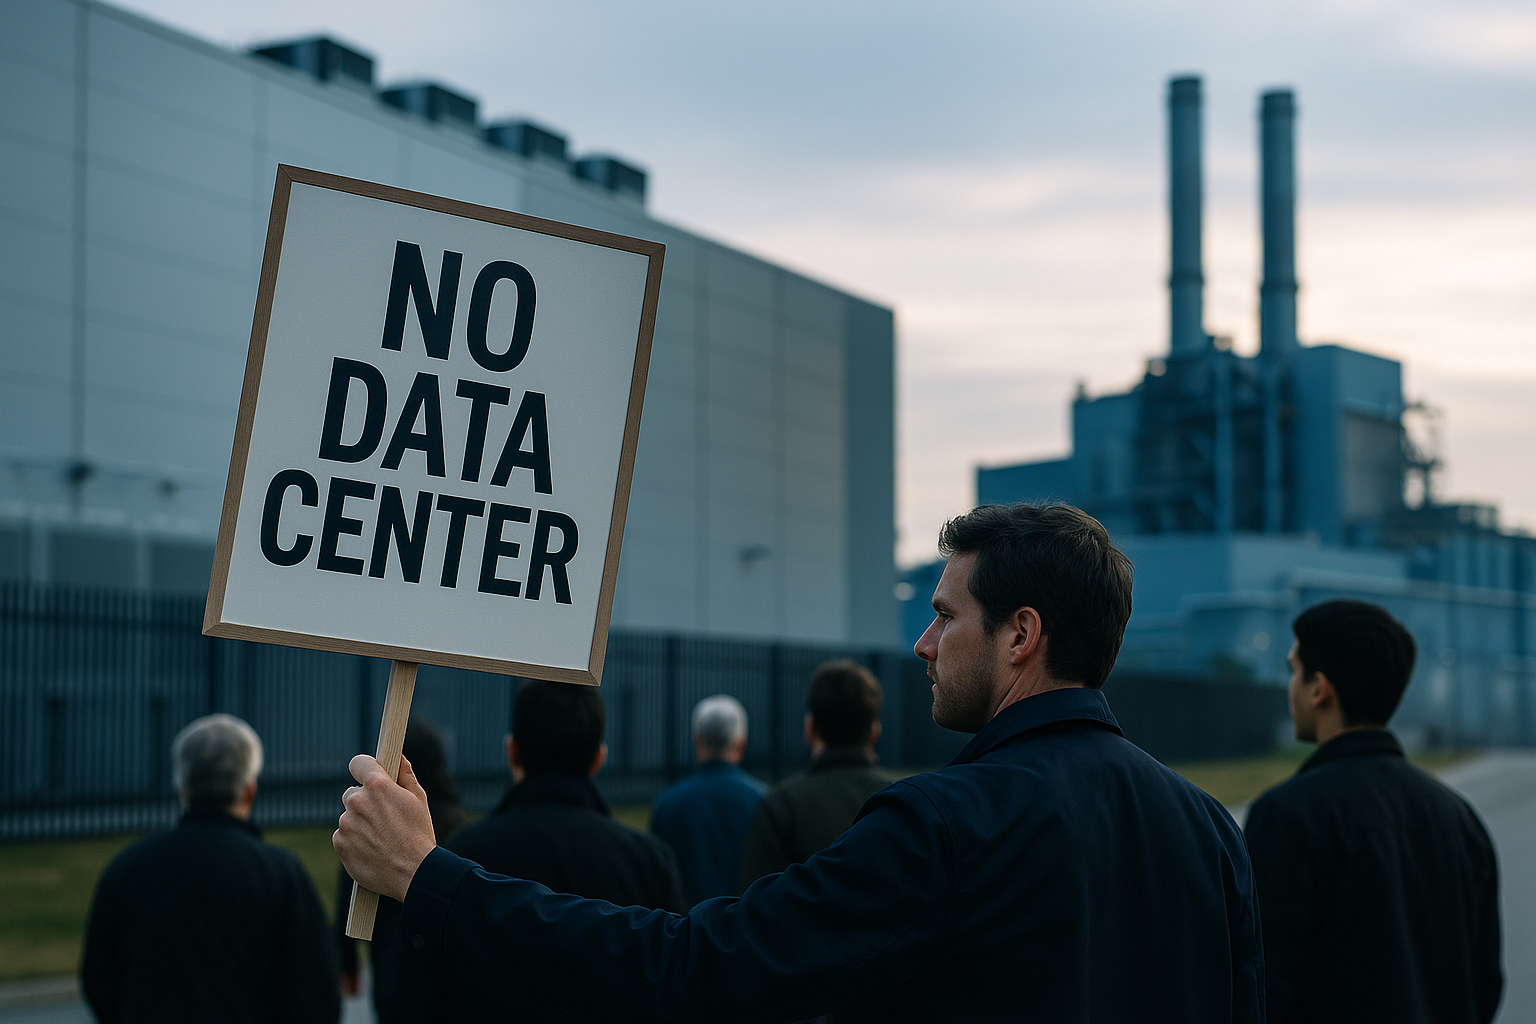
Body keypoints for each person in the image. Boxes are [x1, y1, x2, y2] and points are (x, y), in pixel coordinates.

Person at [335, 503, 1263, 1023]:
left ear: (1022, 635)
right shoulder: (1208, 831)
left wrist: (428, 874)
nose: (923, 643)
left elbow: (689, 969)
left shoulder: (945, 824)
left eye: (946, 614)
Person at [1244, 599, 1503, 1024]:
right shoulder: (1461, 821)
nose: (1289, 686)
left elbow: (1264, 985)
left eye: (1294, 670)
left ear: (1318, 688)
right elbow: (1484, 985)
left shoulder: (1287, 816)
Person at [392, 680, 687, 1021]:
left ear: (512, 751)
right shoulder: (648, 860)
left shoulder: (461, 855)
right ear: (598, 758)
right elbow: (675, 987)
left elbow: (418, 993)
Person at [82, 713, 339, 1024]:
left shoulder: (128, 868)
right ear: (249, 791)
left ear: (183, 789)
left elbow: (99, 977)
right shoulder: (280, 874)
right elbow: (314, 990)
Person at [333, 716, 469, 1023]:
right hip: (445, 965)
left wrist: (347, 961)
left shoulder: (373, 828)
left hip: (393, 960)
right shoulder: (459, 826)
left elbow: (349, 889)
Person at [739, 661, 900, 888]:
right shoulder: (899, 800)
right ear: (874, 732)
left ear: (810, 727)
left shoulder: (782, 804)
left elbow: (756, 900)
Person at [649, 694, 769, 905]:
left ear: (697, 740)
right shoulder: (764, 801)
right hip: (746, 927)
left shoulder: (668, 803)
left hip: (686, 929)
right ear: (741, 743)